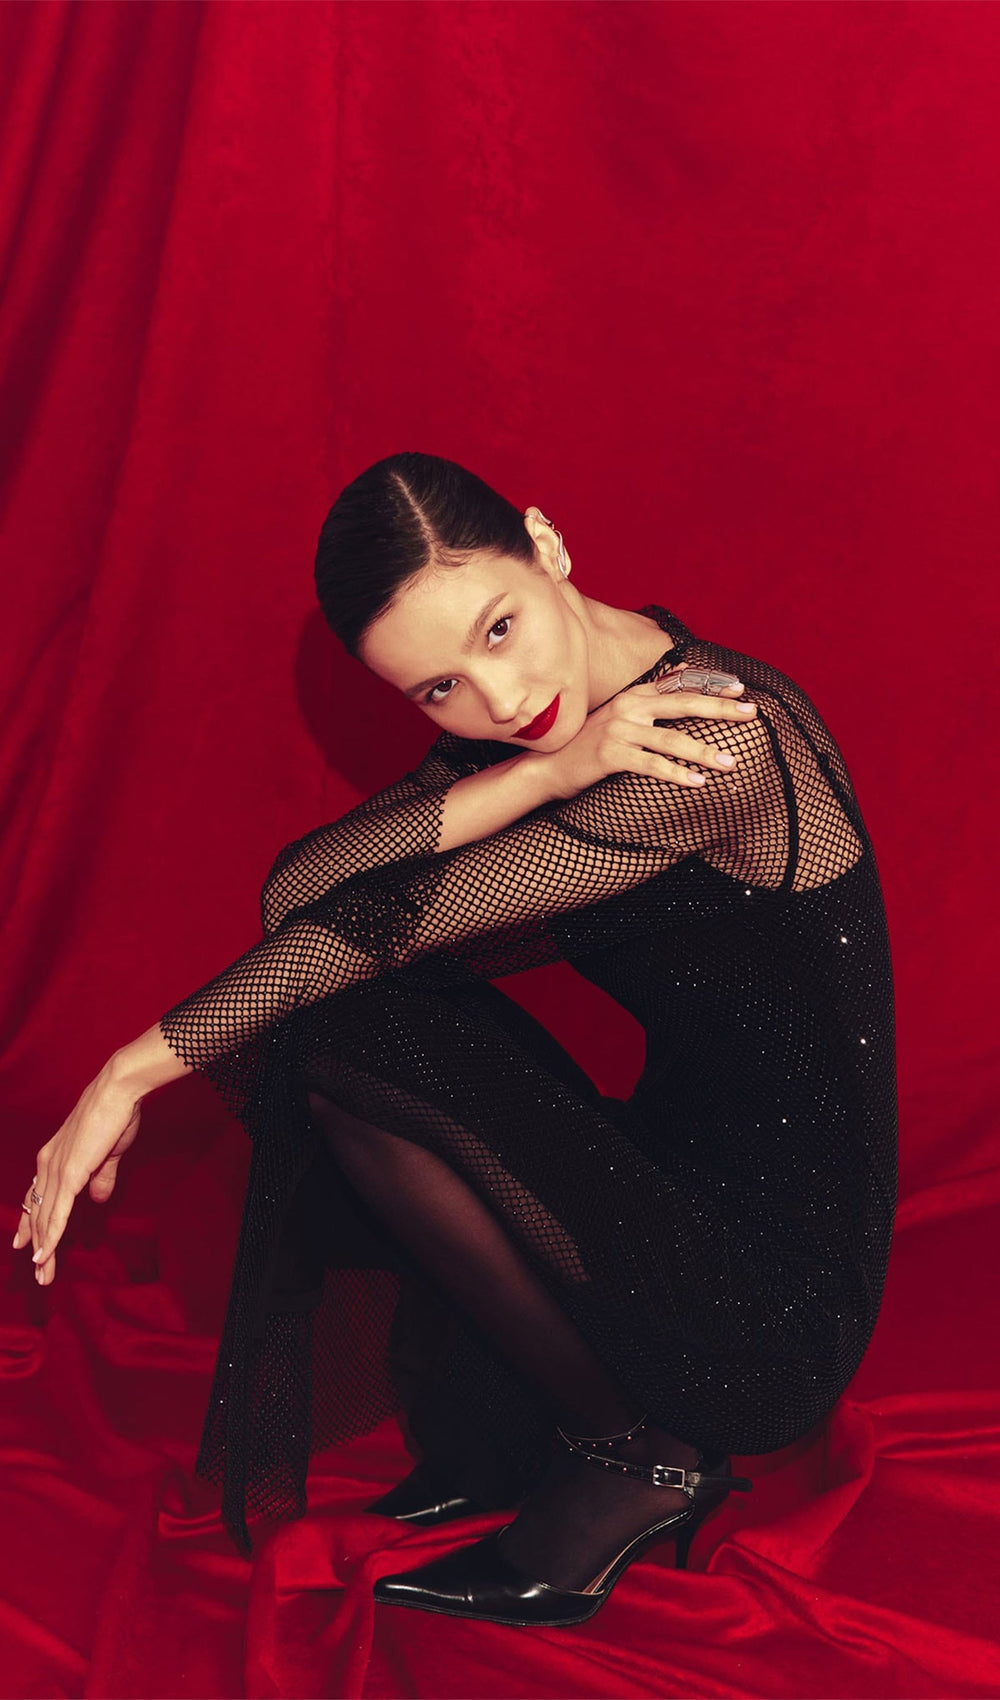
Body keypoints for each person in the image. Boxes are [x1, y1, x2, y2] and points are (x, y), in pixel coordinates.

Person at [13, 452, 897, 1627]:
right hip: (673, 1179)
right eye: (439, 688)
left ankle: (645, 1452)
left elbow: (369, 927)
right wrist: (545, 772)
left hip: (774, 1289)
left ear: (547, 543)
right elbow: (299, 890)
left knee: (343, 1009)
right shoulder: (561, 724)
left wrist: (127, 1071)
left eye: (499, 627)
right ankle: (535, 1423)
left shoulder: (709, 739)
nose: (501, 697)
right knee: (329, 1009)